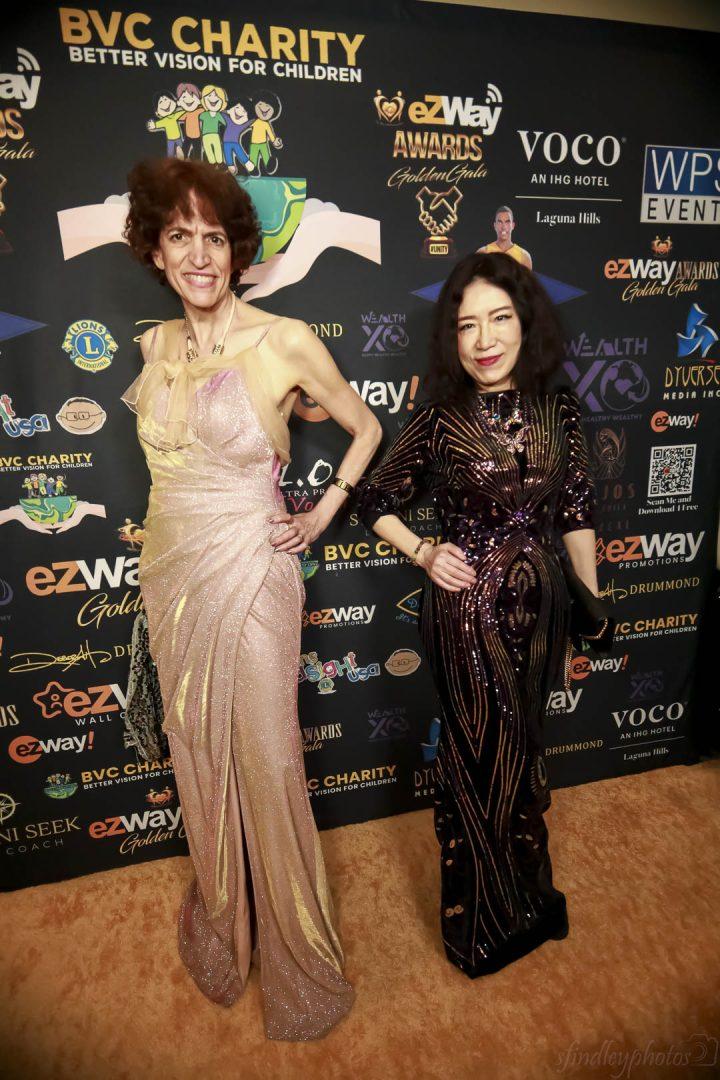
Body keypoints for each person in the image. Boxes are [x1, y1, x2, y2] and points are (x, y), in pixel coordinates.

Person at [120, 157, 381, 1039]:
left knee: (268, 760)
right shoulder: (153, 348)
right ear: (156, 250)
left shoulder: (285, 340)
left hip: (255, 568)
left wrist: (323, 511)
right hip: (171, 575)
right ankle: (226, 916)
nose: (199, 255)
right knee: (196, 749)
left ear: (237, 250)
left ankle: (301, 951)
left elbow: (366, 426)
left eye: (214, 238)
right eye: (179, 236)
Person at [357, 252, 600, 977]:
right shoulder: (440, 419)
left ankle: (529, 900)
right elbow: (374, 498)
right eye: (467, 325)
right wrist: (425, 551)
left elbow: (577, 510)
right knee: (477, 761)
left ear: (526, 323)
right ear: (452, 338)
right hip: (467, 616)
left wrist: (591, 601)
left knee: (522, 753)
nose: (484, 340)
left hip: (542, 616)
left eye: (499, 319)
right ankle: (482, 927)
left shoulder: (561, 409)